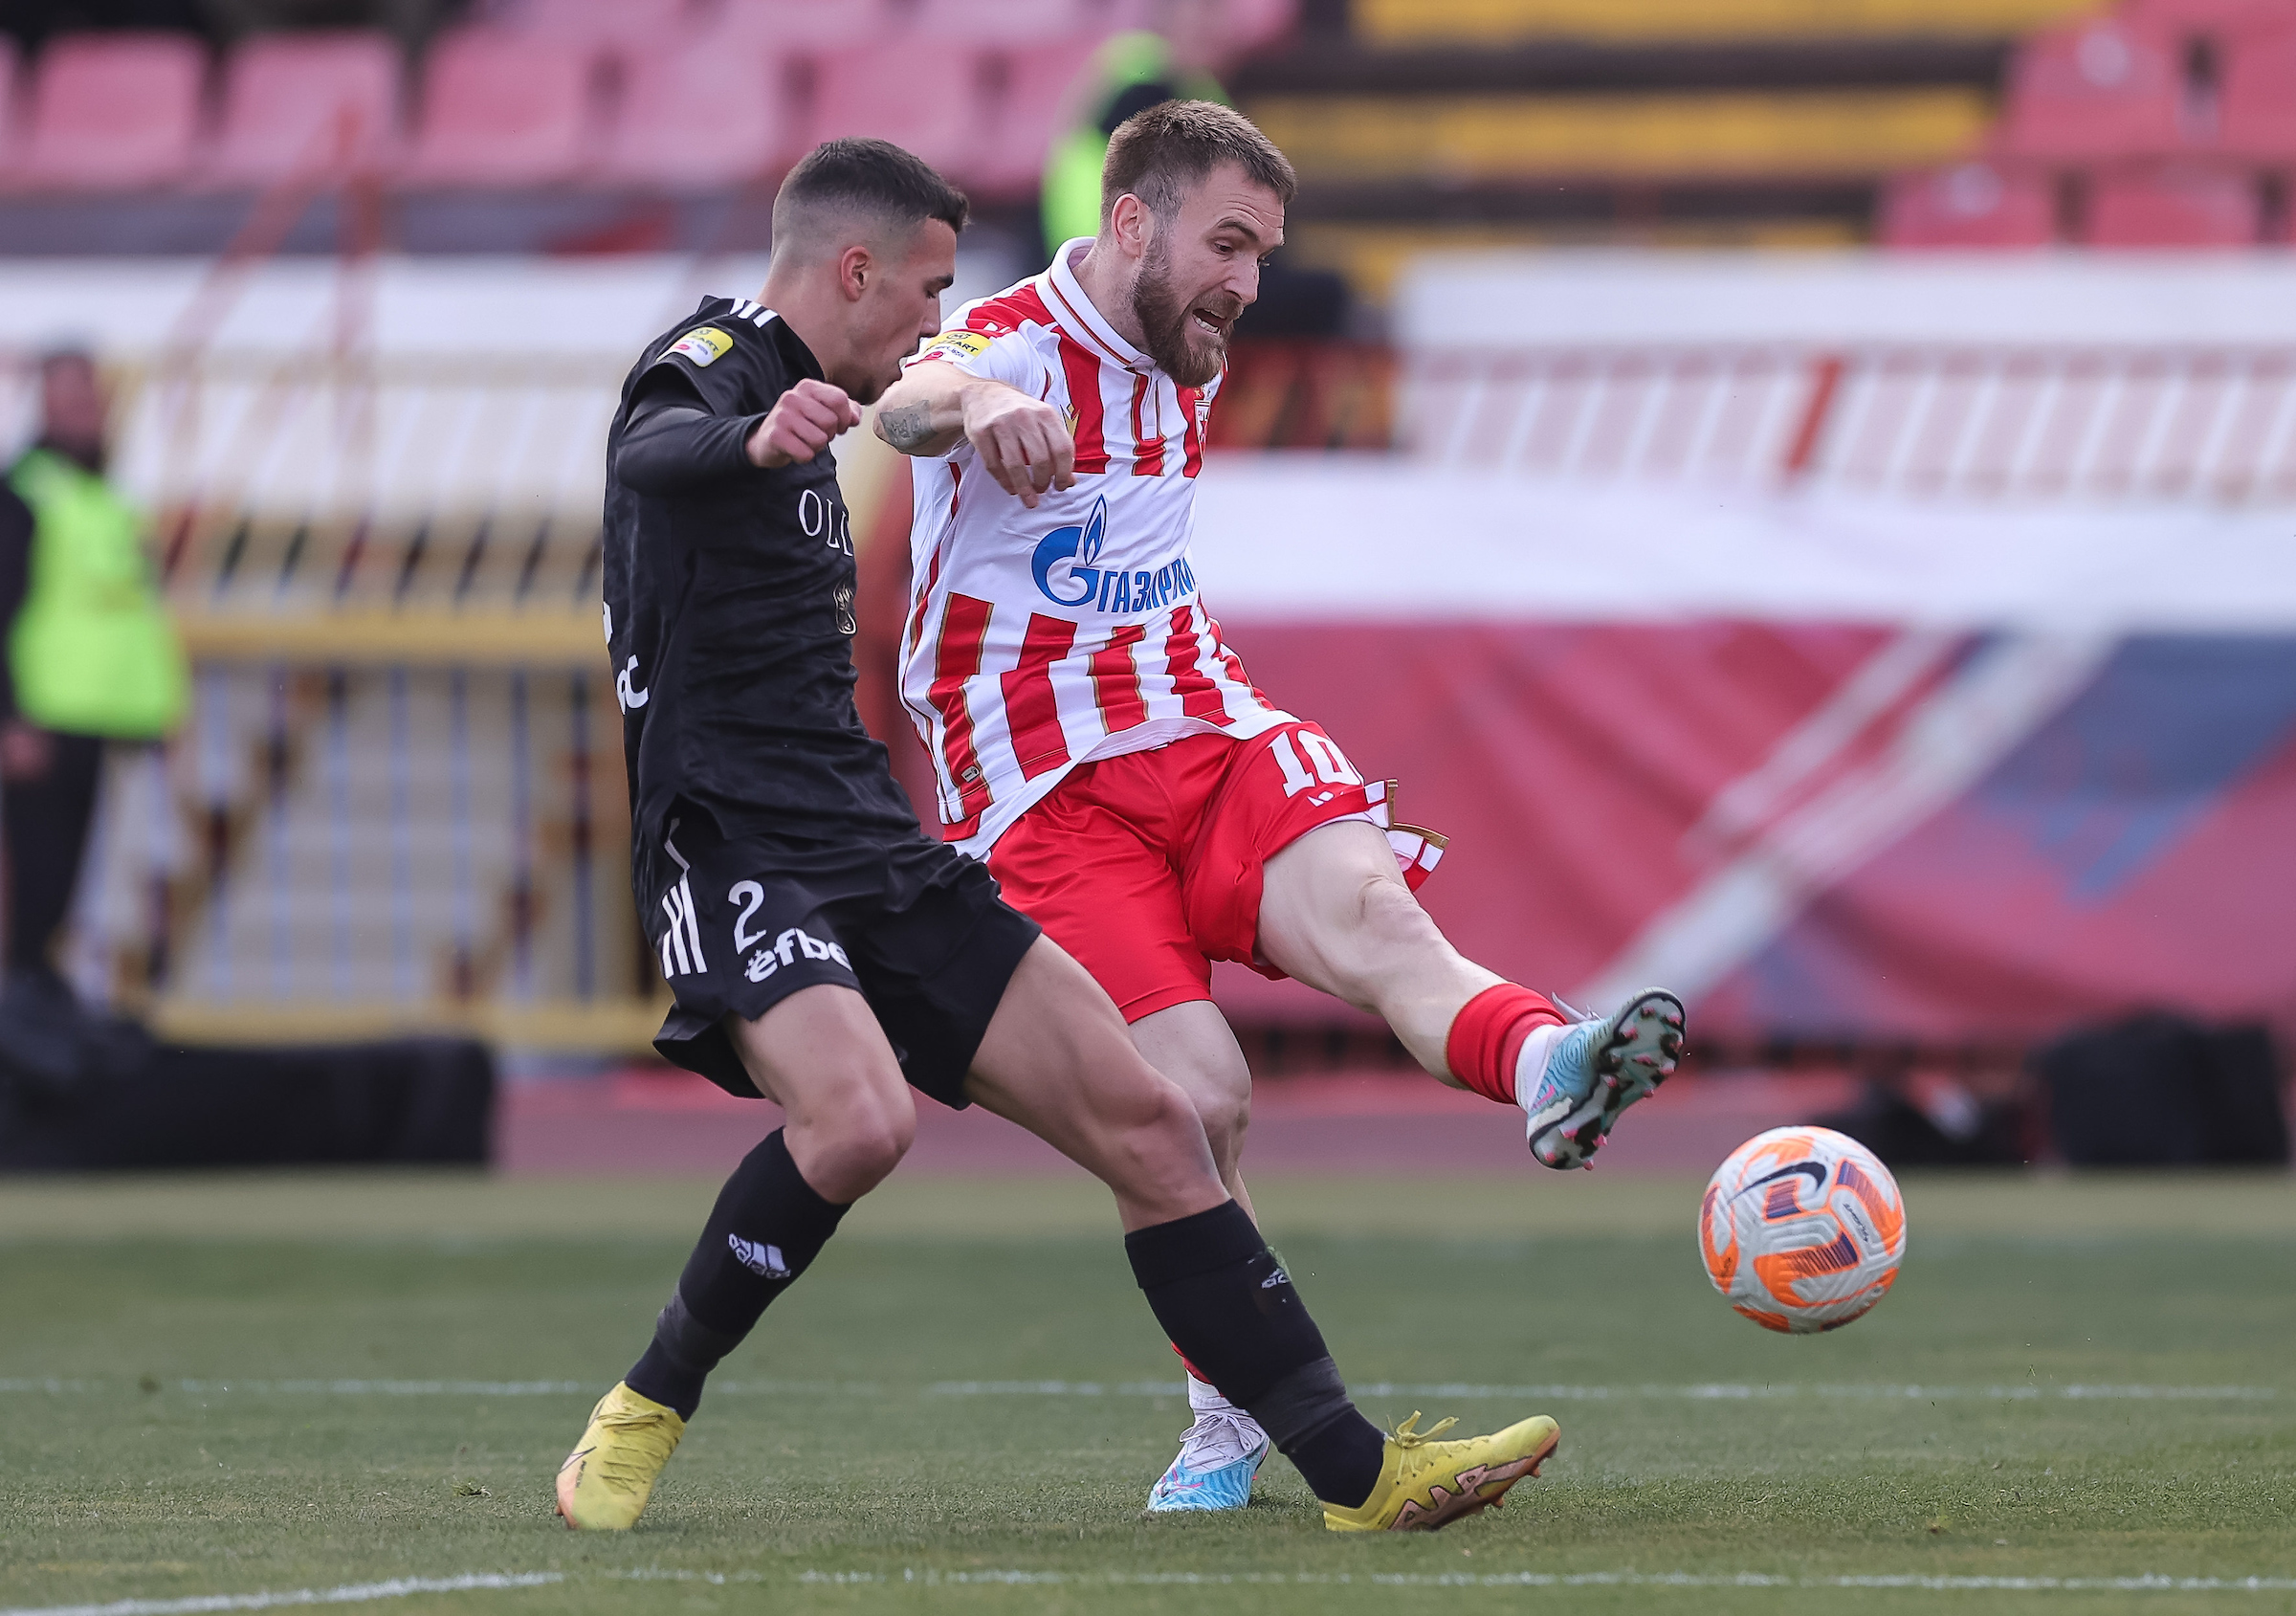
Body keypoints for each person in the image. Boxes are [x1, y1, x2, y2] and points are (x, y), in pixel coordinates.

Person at [559, 137, 1561, 1536]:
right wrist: (753, 436)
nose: (934, 317)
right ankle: (645, 1405)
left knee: (1159, 1125)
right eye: (920, 289)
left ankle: (1360, 1476)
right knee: (858, 1121)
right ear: (853, 271)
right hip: (728, 834)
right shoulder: (720, 356)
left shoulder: (919, 387)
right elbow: (656, 446)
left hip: (865, 826)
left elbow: (919, 396)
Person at [872, 100, 1687, 1514]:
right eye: (1228, 245)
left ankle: (1553, 1069)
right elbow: (907, 399)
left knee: (1376, 916)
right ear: (1132, 223)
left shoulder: (1186, 342)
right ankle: (1226, 1416)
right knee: (1196, 1103)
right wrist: (993, 404)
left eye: (1265, 253)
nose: (1249, 284)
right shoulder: (1008, 339)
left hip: (1205, 725)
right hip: (1045, 791)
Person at [0, 349, 187, 1082]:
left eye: (92, 397)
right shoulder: (25, 495)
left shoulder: (108, 495)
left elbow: (129, 619)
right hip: (43, 719)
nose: (85, 411)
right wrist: (10, 717)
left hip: (103, 719)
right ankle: (23, 1024)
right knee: (37, 886)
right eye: (69, 397)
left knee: (74, 886)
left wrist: (156, 710)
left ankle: (44, 1019)